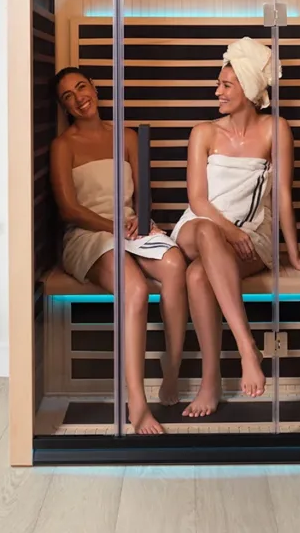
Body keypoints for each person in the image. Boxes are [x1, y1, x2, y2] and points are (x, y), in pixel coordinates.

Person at [170, 37, 300, 417]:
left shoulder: (275, 129)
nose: (218, 92)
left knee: (198, 278)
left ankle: (210, 381)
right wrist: (231, 231)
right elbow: (197, 200)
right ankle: (247, 347)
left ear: (248, 87)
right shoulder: (204, 133)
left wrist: (293, 256)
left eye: (226, 85)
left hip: (252, 236)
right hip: (201, 228)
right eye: (219, 84)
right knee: (209, 234)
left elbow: (283, 197)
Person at [49, 66, 187, 435]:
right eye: (68, 96)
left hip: (130, 227)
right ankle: (137, 403)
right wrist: (113, 227)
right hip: (88, 235)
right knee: (136, 289)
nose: (79, 97)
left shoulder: (126, 137)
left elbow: (144, 194)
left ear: (93, 88)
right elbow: (68, 209)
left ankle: (172, 369)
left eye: (82, 87)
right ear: (65, 107)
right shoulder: (64, 146)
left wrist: (140, 221)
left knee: (175, 265)